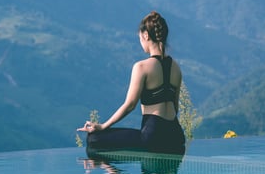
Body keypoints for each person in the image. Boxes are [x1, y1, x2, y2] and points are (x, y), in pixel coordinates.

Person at [77, 10, 186, 155]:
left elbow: (129, 105)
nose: (141, 42)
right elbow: (175, 107)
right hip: (175, 136)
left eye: (140, 38)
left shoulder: (141, 67)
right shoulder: (176, 68)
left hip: (152, 136)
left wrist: (103, 126)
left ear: (146, 35)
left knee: (94, 138)